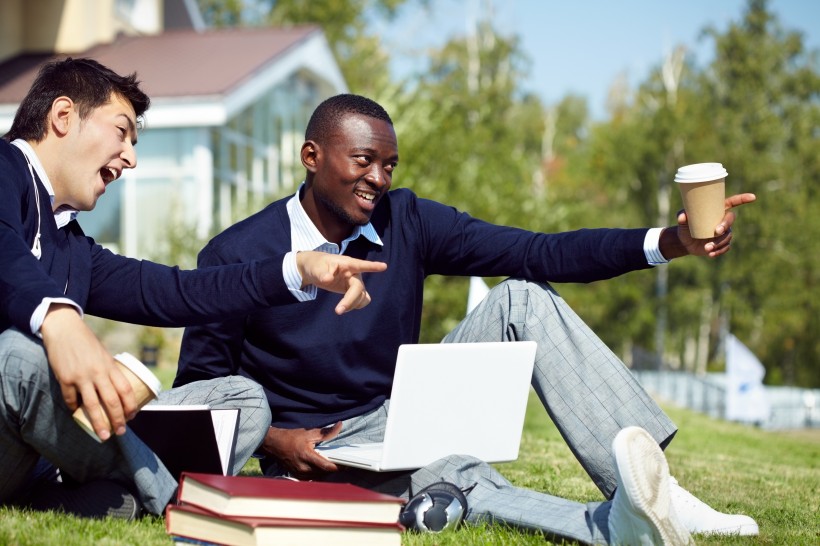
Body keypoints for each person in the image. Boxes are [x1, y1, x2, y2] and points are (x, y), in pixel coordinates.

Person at [175, 94, 759, 544]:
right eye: (363, 161)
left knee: (522, 297)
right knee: (460, 475)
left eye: (389, 164)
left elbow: (539, 251)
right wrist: (278, 440)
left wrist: (669, 242)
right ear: (312, 157)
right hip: (316, 455)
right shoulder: (236, 254)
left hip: (397, 418)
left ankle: (661, 493)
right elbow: (200, 395)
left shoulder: (407, 221)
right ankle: (612, 529)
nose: (379, 179)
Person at [0, 61, 386, 520]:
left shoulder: (73, 246)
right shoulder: (5, 168)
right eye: (121, 132)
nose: (131, 158)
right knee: (18, 356)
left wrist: (297, 268)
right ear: (62, 116)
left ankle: (96, 498)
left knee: (240, 400)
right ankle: (177, 502)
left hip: (41, 457)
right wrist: (58, 319)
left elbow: (177, 291)